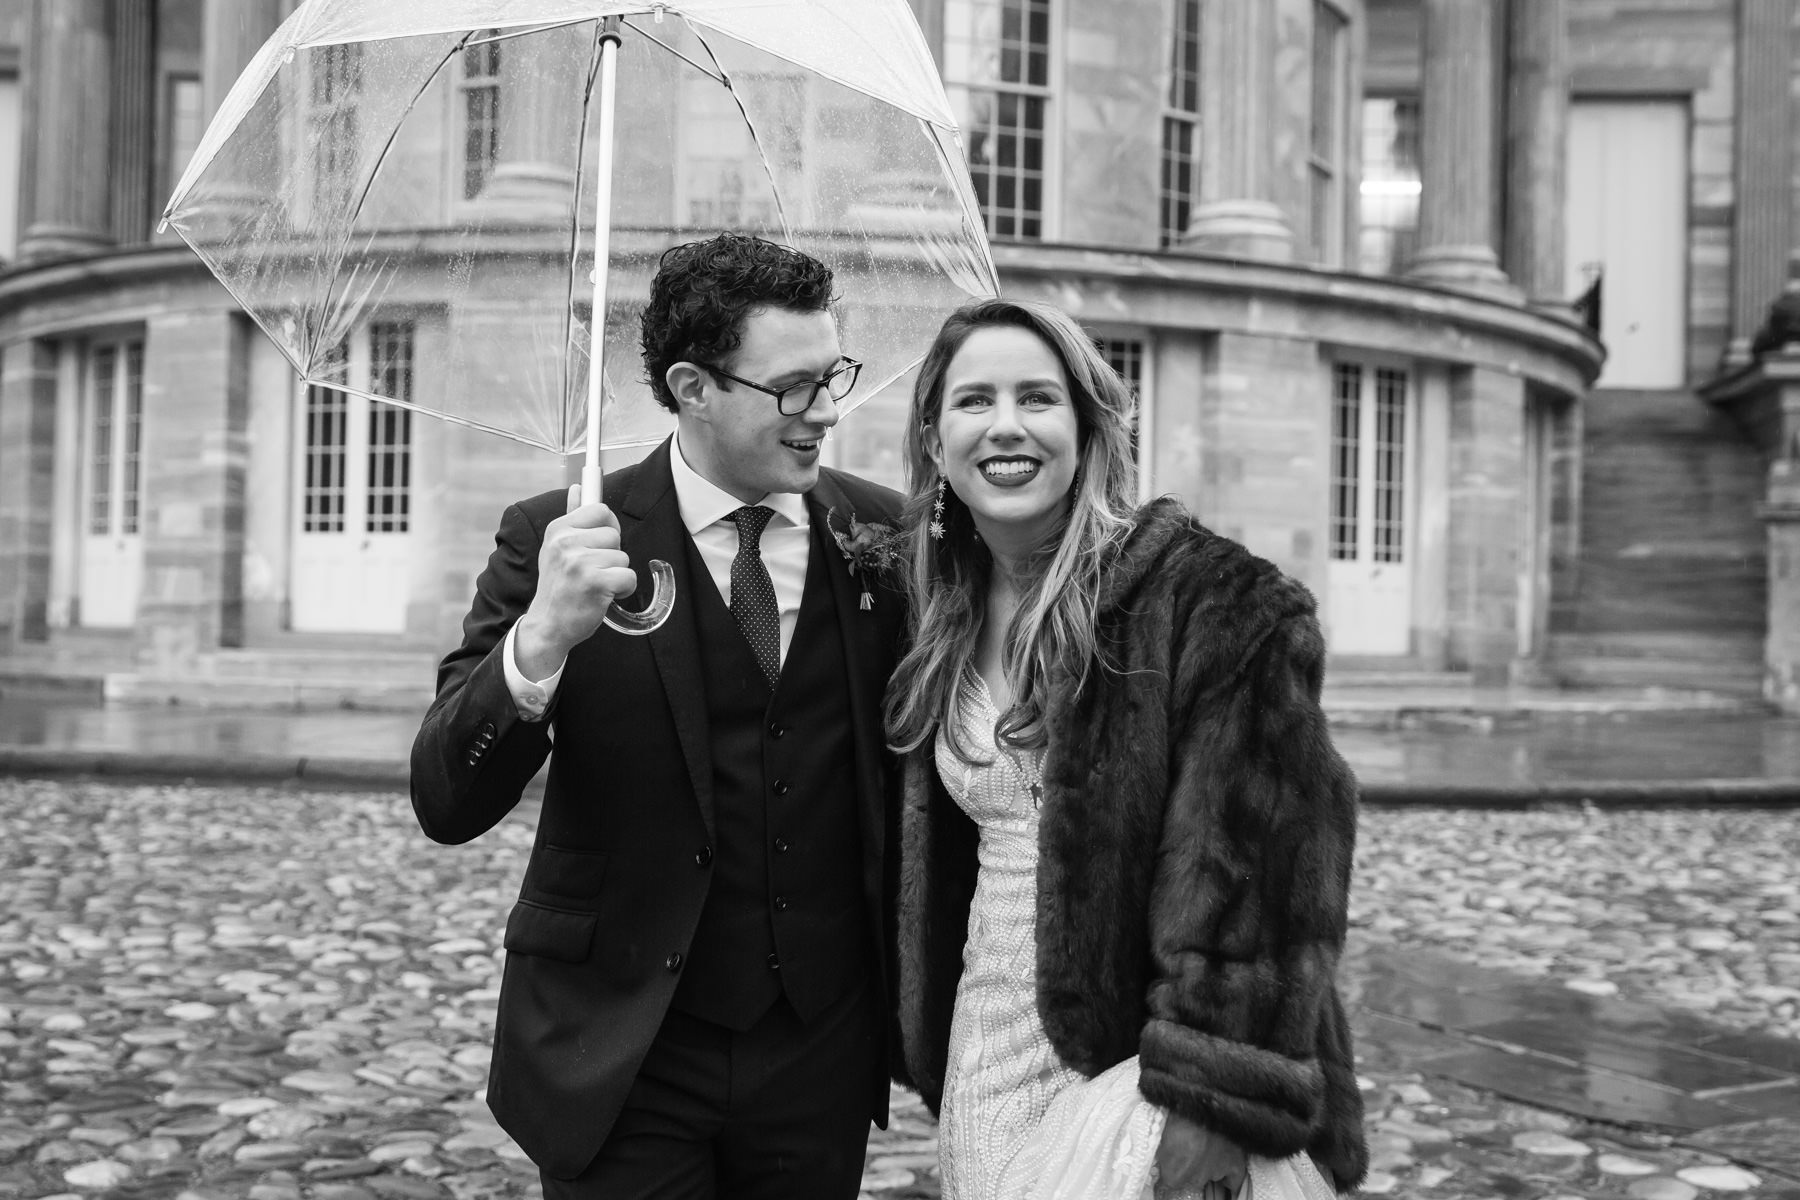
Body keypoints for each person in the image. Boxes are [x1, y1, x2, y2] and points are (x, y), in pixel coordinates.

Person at [410, 233, 908, 1199]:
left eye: (833, 376)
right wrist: (542, 639)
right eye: (794, 387)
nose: (829, 412)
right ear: (692, 386)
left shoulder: (885, 534)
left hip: (817, 1053)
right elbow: (444, 798)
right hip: (622, 1048)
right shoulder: (556, 535)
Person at [886, 299, 1369, 1199]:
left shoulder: (1214, 605)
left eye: (1038, 397)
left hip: (1139, 1066)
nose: (1005, 426)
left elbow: (1267, 876)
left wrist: (1209, 1102)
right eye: (973, 401)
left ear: (1089, 424)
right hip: (985, 1050)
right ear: (933, 436)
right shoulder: (934, 613)